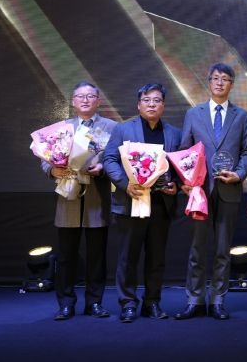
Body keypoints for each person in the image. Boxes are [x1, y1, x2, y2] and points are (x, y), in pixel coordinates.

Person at [174, 63, 247, 321]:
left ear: (232, 85)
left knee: (222, 248)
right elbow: (184, 150)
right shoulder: (193, 114)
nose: (220, 83)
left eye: (225, 79)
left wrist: (239, 174)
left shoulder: (241, 116)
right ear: (209, 82)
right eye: (216, 78)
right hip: (199, 192)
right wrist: (186, 181)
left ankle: (218, 300)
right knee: (197, 249)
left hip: (229, 190)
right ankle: (194, 300)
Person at [103, 83, 181, 323]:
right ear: (138, 105)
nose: (151, 104)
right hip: (131, 201)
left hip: (160, 205)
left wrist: (176, 185)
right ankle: (128, 303)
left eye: (157, 100)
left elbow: (181, 165)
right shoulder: (123, 129)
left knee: (156, 258)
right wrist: (125, 183)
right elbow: (109, 159)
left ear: (163, 105)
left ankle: (152, 303)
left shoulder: (174, 133)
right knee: (128, 257)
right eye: (147, 100)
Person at [43, 81, 117, 321]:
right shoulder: (62, 128)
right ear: (73, 101)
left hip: (97, 198)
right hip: (68, 199)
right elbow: (46, 157)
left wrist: (103, 167)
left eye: (90, 96)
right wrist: (52, 170)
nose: (85, 100)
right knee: (66, 257)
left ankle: (94, 303)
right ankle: (66, 304)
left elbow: (118, 157)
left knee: (97, 256)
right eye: (80, 96)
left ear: (98, 101)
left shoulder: (112, 127)